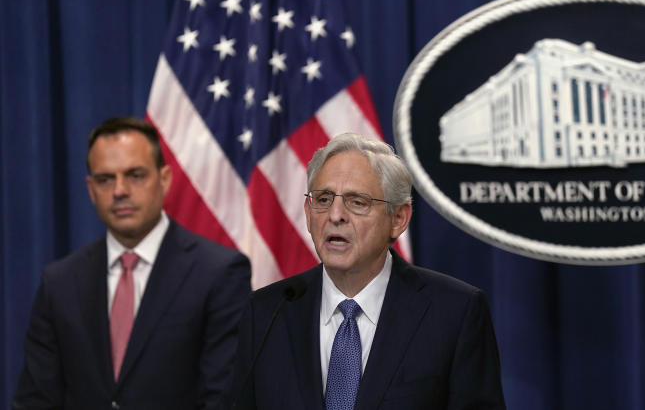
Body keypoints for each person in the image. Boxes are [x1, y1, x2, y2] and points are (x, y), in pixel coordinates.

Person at [229, 133, 505, 409]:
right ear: (308, 212)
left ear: (398, 219)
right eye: (323, 199)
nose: (335, 215)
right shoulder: (266, 312)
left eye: (357, 202)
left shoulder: (454, 313)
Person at [13, 116, 251, 410]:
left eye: (135, 175)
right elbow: (35, 401)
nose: (120, 191)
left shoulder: (219, 273)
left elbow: (223, 400)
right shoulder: (59, 281)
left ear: (164, 180)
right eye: (105, 179)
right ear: (90, 189)